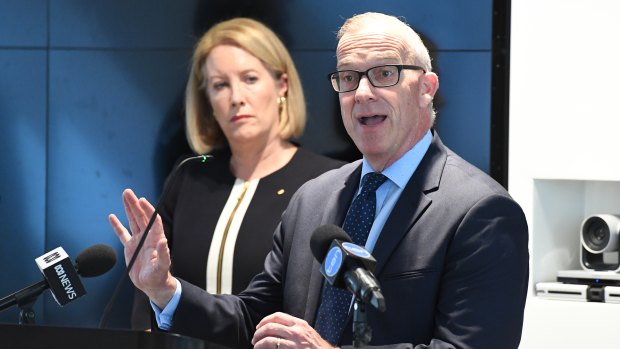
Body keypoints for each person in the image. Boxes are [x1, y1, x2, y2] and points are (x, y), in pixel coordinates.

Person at [110, 12, 529, 348]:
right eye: (348, 77)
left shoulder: (482, 212)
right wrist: (164, 289)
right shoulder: (314, 198)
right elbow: (254, 321)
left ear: (427, 88)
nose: (362, 92)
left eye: (384, 73)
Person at [128, 17, 345, 329]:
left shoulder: (328, 181)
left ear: (281, 85)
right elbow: (146, 304)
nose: (236, 97)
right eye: (220, 85)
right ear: (208, 101)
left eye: (250, 79)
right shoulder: (187, 177)